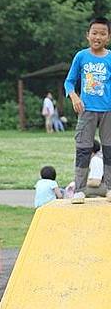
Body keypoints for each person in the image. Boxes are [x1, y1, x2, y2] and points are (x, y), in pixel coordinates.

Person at [64, 17, 111, 203]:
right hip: (87, 111)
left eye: (102, 33)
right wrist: (74, 96)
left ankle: (109, 188)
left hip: (108, 111)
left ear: (108, 36)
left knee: (109, 150)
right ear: (88, 35)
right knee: (83, 149)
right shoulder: (81, 56)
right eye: (94, 33)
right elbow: (69, 81)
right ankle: (79, 190)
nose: (97, 36)